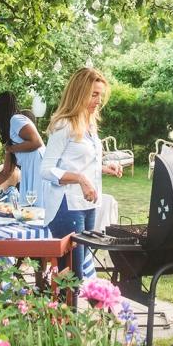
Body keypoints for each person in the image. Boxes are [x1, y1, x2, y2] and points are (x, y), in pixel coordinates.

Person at [41, 67, 124, 277]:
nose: (98, 101)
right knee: (72, 274)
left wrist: (105, 167)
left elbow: (81, 161)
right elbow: (46, 169)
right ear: (79, 93)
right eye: (94, 94)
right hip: (67, 206)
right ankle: (61, 309)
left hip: (88, 204)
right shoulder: (64, 125)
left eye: (100, 95)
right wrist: (80, 179)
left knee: (82, 272)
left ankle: (72, 309)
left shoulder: (89, 125)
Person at [0, 91, 48, 210]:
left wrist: (11, 149)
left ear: (0, 110)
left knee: (38, 212)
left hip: (38, 172)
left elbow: (36, 142)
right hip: (30, 172)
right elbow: (6, 172)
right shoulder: (10, 133)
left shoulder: (16, 119)